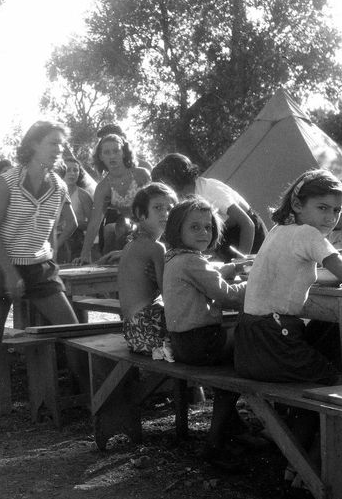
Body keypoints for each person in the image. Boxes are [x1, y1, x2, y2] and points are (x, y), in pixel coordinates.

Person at [0, 120, 82, 440]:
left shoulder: (58, 185)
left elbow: (65, 223)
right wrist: (11, 273)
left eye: (61, 144)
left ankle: (96, 402)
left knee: (73, 333)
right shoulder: (8, 180)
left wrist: (48, 252)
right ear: (33, 145)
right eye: (52, 143)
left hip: (39, 268)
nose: (59, 149)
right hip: (1, 267)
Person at [233, 170, 342, 485]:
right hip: (275, 342)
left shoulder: (280, 230)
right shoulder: (310, 236)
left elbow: (307, 275)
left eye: (337, 210)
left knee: (318, 362)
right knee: (335, 384)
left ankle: (296, 465)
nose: (331, 217)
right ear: (297, 203)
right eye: (322, 207)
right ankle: (320, 469)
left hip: (251, 341)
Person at [162, 196, 249, 466]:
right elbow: (228, 297)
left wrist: (227, 269)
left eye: (208, 227)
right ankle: (215, 441)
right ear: (178, 230)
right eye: (195, 227)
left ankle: (235, 429)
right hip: (202, 342)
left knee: (241, 344)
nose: (203, 232)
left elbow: (207, 275)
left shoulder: (175, 258)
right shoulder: (192, 262)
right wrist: (256, 280)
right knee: (252, 343)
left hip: (182, 343)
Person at [152, 153, 267, 261]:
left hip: (249, 236)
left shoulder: (209, 189)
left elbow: (247, 224)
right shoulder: (181, 201)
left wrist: (240, 263)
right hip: (226, 240)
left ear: (173, 180)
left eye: (164, 184)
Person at [117, 183, 177, 360]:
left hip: (133, 333)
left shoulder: (131, 244)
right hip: (150, 330)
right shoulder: (156, 247)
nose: (165, 213)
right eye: (158, 208)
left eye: (169, 208)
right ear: (140, 214)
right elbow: (169, 293)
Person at [76, 126, 150, 263]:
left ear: (124, 153)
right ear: (101, 157)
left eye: (116, 151)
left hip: (154, 228)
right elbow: (94, 222)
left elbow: (159, 204)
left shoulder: (141, 175)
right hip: (131, 232)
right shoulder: (103, 187)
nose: (112, 156)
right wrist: (85, 253)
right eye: (107, 152)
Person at [55, 152, 94, 263]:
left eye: (75, 170)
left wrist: (76, 223)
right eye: (68, 170)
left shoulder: (83, 195)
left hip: (74, 238)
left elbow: (93, 224)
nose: (72, 174)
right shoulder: (52, 192)